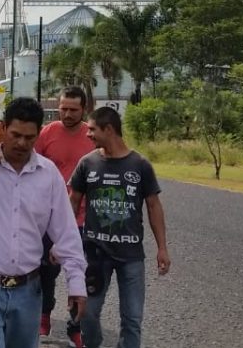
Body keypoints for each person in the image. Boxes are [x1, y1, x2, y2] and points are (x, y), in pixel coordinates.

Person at [0, 97, 87, 348]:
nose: (22, 143)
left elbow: (66, 232)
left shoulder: (48, 175)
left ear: (38, 134)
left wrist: (76, 282)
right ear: (2, 128)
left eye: (29, 137)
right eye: (15, 135)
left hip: (28, 292)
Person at [70, 107, 170, 348]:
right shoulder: (87, 163)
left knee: (132, 319)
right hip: (94, 254)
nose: (88, 134)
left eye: (92, 129)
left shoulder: (140, 165)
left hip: (130, 256)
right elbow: (72, 202)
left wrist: (162, 248)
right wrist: (64, 242)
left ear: (109, 129)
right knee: (87, 314)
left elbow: (154, 205)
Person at [34, 86, 95, 345]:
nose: (67, 114)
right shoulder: (47, 134)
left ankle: (75, 326)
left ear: (84, 110)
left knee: (81, 272)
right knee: (46, 272)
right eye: (63, 108)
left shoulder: (92, 137)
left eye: (73, 109)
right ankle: (44, 315)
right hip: (48, 219)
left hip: (83, 219)